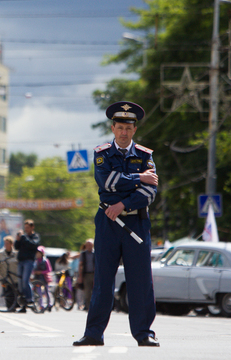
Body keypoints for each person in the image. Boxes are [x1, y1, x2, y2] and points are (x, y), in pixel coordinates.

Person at [74, 101, 159, 347]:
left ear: (134, 130)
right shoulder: (102, 153)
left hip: (136, 223)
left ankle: (144, 334)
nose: (123, 132)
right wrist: (138, 178)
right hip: (108, 223)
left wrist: (123, 205)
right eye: (119, 127)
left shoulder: (145, 155)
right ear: (113, 128)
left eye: (128, 128)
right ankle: (93, 333)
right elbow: (106, 182)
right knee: (103, 279)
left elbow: (151, 191)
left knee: (141, 281)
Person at [14, 219, 40, 313]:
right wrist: (17, 239)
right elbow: (17, 247)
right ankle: (23, 305)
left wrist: (23, 238)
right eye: (25, 228)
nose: (26, 229)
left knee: (25, 281)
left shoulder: (35, 236)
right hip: (20, 261)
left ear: (32, 227)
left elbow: (33, 245)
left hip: (29, 261)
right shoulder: (23, 237)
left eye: (28, 227)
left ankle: (30, 299)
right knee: (20, 284)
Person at [76, 239, 96, 311]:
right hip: (86, 275)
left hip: (94, 274)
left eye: (90, 245)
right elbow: (80, 265)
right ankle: (88, 306)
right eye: (87, 245)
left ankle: (94, 306)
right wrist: (80, 276)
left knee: (95, 291)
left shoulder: (96, 253)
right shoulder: (83, 254)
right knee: (87, 292)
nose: (88, 246)